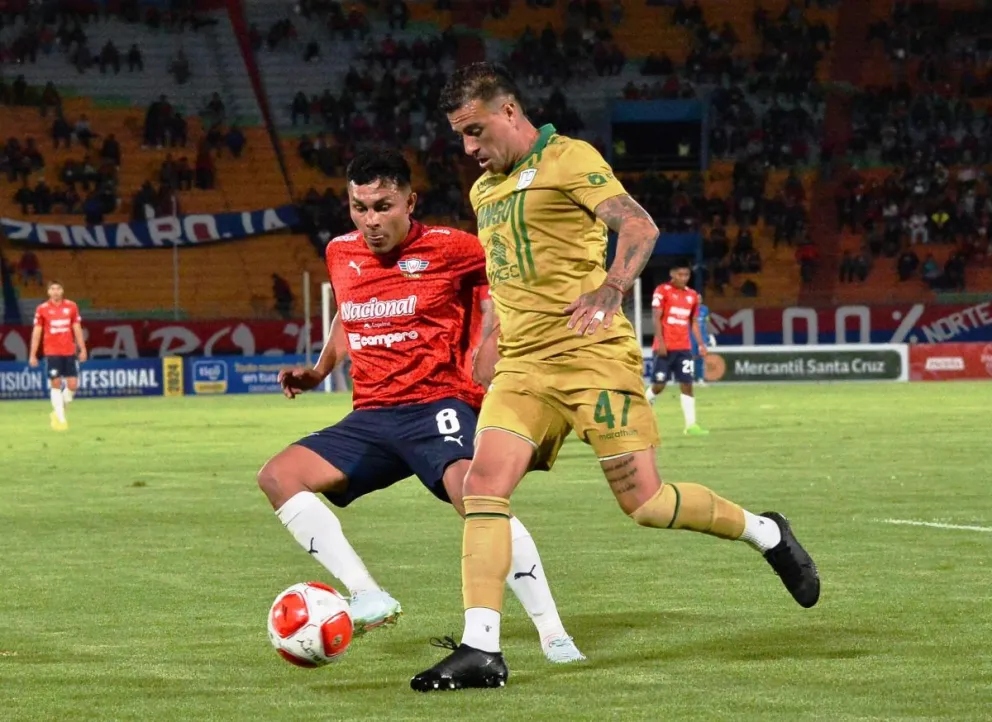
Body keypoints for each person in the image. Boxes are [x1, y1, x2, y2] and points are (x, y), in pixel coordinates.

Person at [411, 62, 820, 692]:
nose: (467, 149)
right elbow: (504, 275)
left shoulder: (570, 159)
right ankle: (480, 648)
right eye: (459, 137)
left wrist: (612, 286)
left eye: (474, 131)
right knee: (483, 488)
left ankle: (766, 531)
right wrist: (490, 339)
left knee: (647, 504)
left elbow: (638, 224)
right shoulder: (485, 192)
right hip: (523, 367)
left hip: (591, 357)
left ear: (509, 112)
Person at [256, 149, 584, 664]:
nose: (370, 220)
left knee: (479, 499)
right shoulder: (340, 253)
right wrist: (320, 369)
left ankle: (553, 632)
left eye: (382, 206)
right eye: (359, 207)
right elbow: (349, 309)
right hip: (372, 415)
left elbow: (510, 279)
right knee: (278, 477)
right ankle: (367, 595)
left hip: (438, 405)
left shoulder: (453, 248)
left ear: (411, 201)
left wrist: (495, 337)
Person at [644, 262, 709, 434]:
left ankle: (691, 425)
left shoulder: (692, 296)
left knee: (687, 384)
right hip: (664, 348)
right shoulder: (662, 291)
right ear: (672, 274)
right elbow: (656, 318)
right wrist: (661, 342)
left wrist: (701, 344)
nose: (683, 278)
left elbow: (694, 322)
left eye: (686, 275)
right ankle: (641, 411)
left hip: (684, 348)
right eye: (680, 275)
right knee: (659, 386)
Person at [28, 282, 87, 431]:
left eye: (58, 288)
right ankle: (60, 419)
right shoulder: (42, 309)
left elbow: (77, 329)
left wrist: (83, 348)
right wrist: (33, 354)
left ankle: (57, 411)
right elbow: (37, 332)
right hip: (52, 352)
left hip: (69, 351)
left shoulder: (71, 307)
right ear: (48, 292)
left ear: (62, 290)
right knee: (56, 384)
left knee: (73, 385)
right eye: (52, 289)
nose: (55, 292)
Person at [691, 293, 714, 384]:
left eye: (700, 298)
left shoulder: (705, 309)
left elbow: (707, 323)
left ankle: (700, 379)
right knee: (691, 358)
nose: (698, 300)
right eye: (697, 299)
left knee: (701, 358)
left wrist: (710, 335)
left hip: (702, 338)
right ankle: (691, 378)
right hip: (692, 338)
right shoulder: (690, 309)